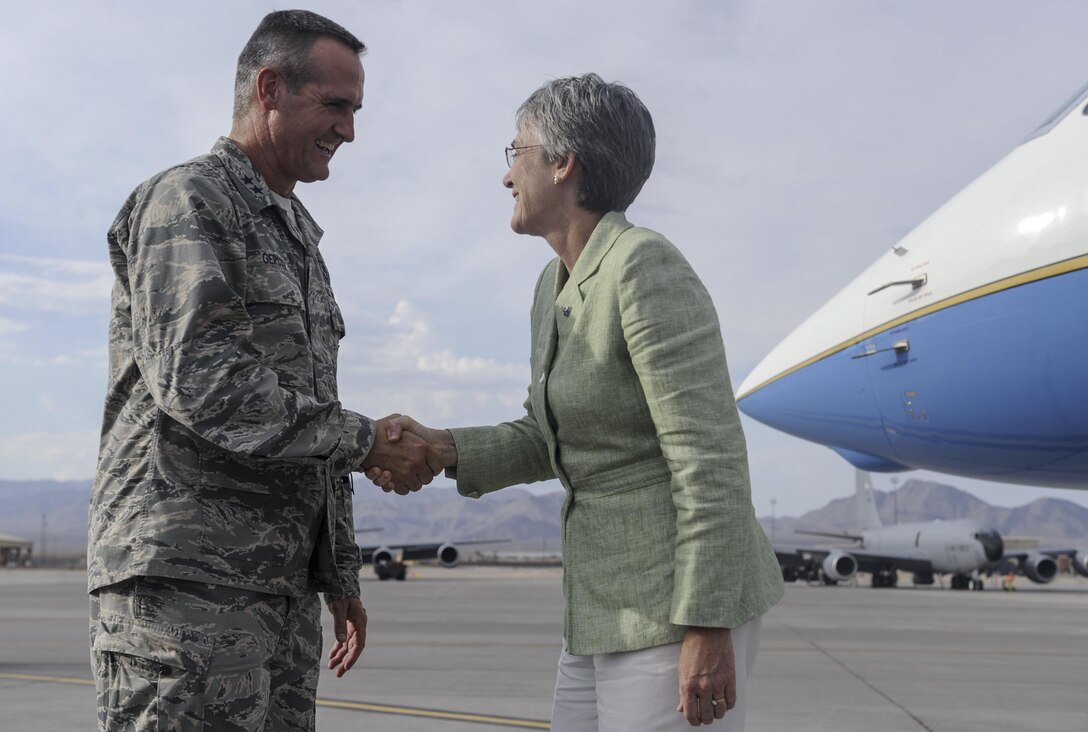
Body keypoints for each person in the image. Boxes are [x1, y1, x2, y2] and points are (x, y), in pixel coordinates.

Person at [369, 73, 784, 730]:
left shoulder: (644, 266)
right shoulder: (552, 285)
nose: (508, 176)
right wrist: (442, 446)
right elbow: (547, 434)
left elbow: (709, 455)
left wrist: (708, 623)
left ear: (564, 164)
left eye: (517, 154)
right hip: (599, 608)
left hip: (672, 601)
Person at [88, 10, 441, 731]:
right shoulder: (191, 200)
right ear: (271, 87)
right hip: (184, 589)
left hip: (275, 591)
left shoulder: (297, 237)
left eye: (354, 110)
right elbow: (204, 381)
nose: (349, 130)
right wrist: (370, 440)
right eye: (335, 106)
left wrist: (337, 571)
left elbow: (308, 411)